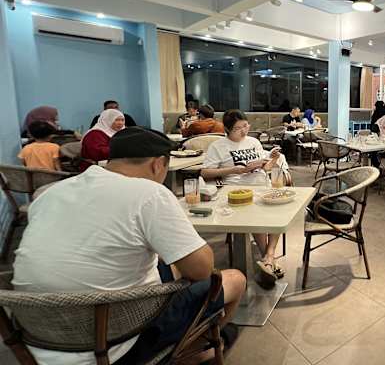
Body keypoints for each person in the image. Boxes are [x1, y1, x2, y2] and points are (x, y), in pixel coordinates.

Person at [12, 127, 246, 364]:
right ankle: (194, 351)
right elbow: (202, 269)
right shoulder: (150, 193)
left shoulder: (51, 192)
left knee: (169, 266)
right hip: (116, 343)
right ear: (158, 164)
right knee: (234, 279)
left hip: (37, 340)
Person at [201, 109, 290, 287]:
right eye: (238, 128)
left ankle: (268, 258)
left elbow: (265, 169)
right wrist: (236, 170)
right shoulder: (218, 146)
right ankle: (269, 259)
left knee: (280, 211)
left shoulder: (254, 142)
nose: (243, 131)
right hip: (237, 190)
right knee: (256, 214)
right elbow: (205, 172)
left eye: (245, 126)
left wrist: (272, 159)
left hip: (262, 186)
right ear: (227, 129)